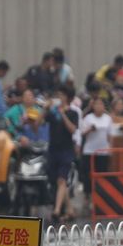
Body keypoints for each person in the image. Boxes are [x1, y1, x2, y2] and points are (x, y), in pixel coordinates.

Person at [41, 86, 79, 221]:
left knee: (62, 179)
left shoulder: (73, 113)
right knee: (58, 182)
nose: (60, 98)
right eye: (58, 95)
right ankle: (69, 209)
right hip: (53, 150)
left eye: (62, 95)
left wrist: (63, 114)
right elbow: (40, 122)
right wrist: (45, 109)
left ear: (67, 98)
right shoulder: (52, 113)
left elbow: (72, 129)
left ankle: (56, 210)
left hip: (66, 150)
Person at [80, 95, 112, 208]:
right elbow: (82, 132)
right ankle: (87, 196)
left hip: (103, 151)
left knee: (101, 175)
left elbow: (109, 135)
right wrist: (90, 129)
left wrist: (110, 148)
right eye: (96, 104)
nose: (98, 106)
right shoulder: (88, 118)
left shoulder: (108, 118)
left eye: (101, 104)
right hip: (90, 151)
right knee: (88, 175)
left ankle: (100, 198)